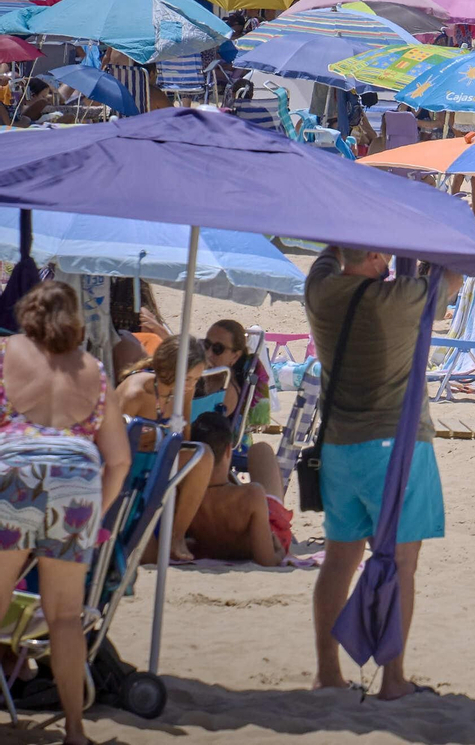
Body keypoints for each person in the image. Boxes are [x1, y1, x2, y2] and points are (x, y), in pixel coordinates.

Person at [306, 246, 461, 700]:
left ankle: (327, 672)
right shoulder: (399, 299)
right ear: (375, 252)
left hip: (338, 447)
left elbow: (329, 254)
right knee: (401, 564)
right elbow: (454, 276)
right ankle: (393, 679)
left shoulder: (319, 291)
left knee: (339, 560)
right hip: (396, 447)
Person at [0, 282, 130, 745]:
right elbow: (119, 461)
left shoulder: (5, 353)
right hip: (77, 486)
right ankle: (75, 730)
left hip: (14, 476)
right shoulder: (94, 371)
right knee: (65, 616)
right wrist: (96, 514)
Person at [117, 335, 212, 562]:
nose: (192, 385)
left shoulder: (184, 389)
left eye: (196, 379)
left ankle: (176, 536)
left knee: (203, 456)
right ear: (170, 370)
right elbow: (109, 441)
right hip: (128, 467)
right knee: (146, 556)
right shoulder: (136, 394)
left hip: (158, 460)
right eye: (189, 378)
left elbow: (184, 433)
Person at [186, 412, 292, 567]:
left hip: (211, 547)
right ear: (229, 450)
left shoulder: (184, 496)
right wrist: (281, 553)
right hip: (267, 538)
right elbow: (267, 560)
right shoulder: (252, 494)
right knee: (261, 450)